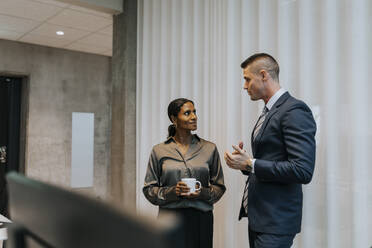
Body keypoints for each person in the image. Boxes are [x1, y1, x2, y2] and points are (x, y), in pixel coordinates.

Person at [224, 53, 316, 248]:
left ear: (264, 75)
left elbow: (302, 169)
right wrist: (244, 164)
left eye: (247, 79)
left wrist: (251, 163)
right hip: (260, 218)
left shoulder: (294, 111)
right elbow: (268, 160)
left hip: (276, 222)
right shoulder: (270, 111)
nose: (244, 86)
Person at [143, 98, 226, 248]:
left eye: (194, 112)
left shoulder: (210, 149)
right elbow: (149, 189)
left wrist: (202, 193)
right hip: (169, 219)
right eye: (187, 113)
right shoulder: (159, 150)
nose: (194, 116)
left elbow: (220, 187)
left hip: (201, 219)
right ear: (174, 119)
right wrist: (172, 191)